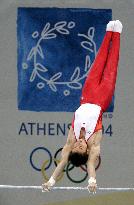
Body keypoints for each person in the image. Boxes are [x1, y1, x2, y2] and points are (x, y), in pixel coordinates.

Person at [42, 20, 123, 193]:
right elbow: (91, 165)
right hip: (102, 99)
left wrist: (50, 182)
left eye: (75, 147)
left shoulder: (70, 142)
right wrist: (92, 180)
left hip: (86, 96)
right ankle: (117, 35)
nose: (78, 144)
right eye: (81, 147)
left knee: (99, 62)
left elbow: (62, 163)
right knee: (110, 67)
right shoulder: (94, 144)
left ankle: (109, 32)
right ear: (87, 151)